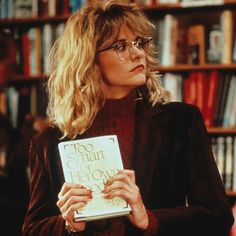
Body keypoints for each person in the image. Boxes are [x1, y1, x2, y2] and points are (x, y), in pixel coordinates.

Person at [22, 0, 234, 235]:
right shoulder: (48, 142)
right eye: (120, 46)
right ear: (89, 60)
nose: (137, 53)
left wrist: (148, 219)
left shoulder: (182, 122)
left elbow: (218, 217)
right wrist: (68, 224)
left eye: (140, 43)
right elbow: (32, 230)